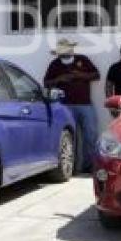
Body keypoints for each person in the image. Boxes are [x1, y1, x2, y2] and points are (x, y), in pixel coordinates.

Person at [43, 38, 100, 173]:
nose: (65, 56)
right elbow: (46, 83)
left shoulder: (83, 60)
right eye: (62, 54)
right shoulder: (55, 64)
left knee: (90, 135)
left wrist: (80, 75)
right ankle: (71, 168)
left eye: (67, 53)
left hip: (85, 104)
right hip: (65, 106)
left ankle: (89, 166)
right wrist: (59, 79)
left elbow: (96, 75)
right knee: (69, 137)